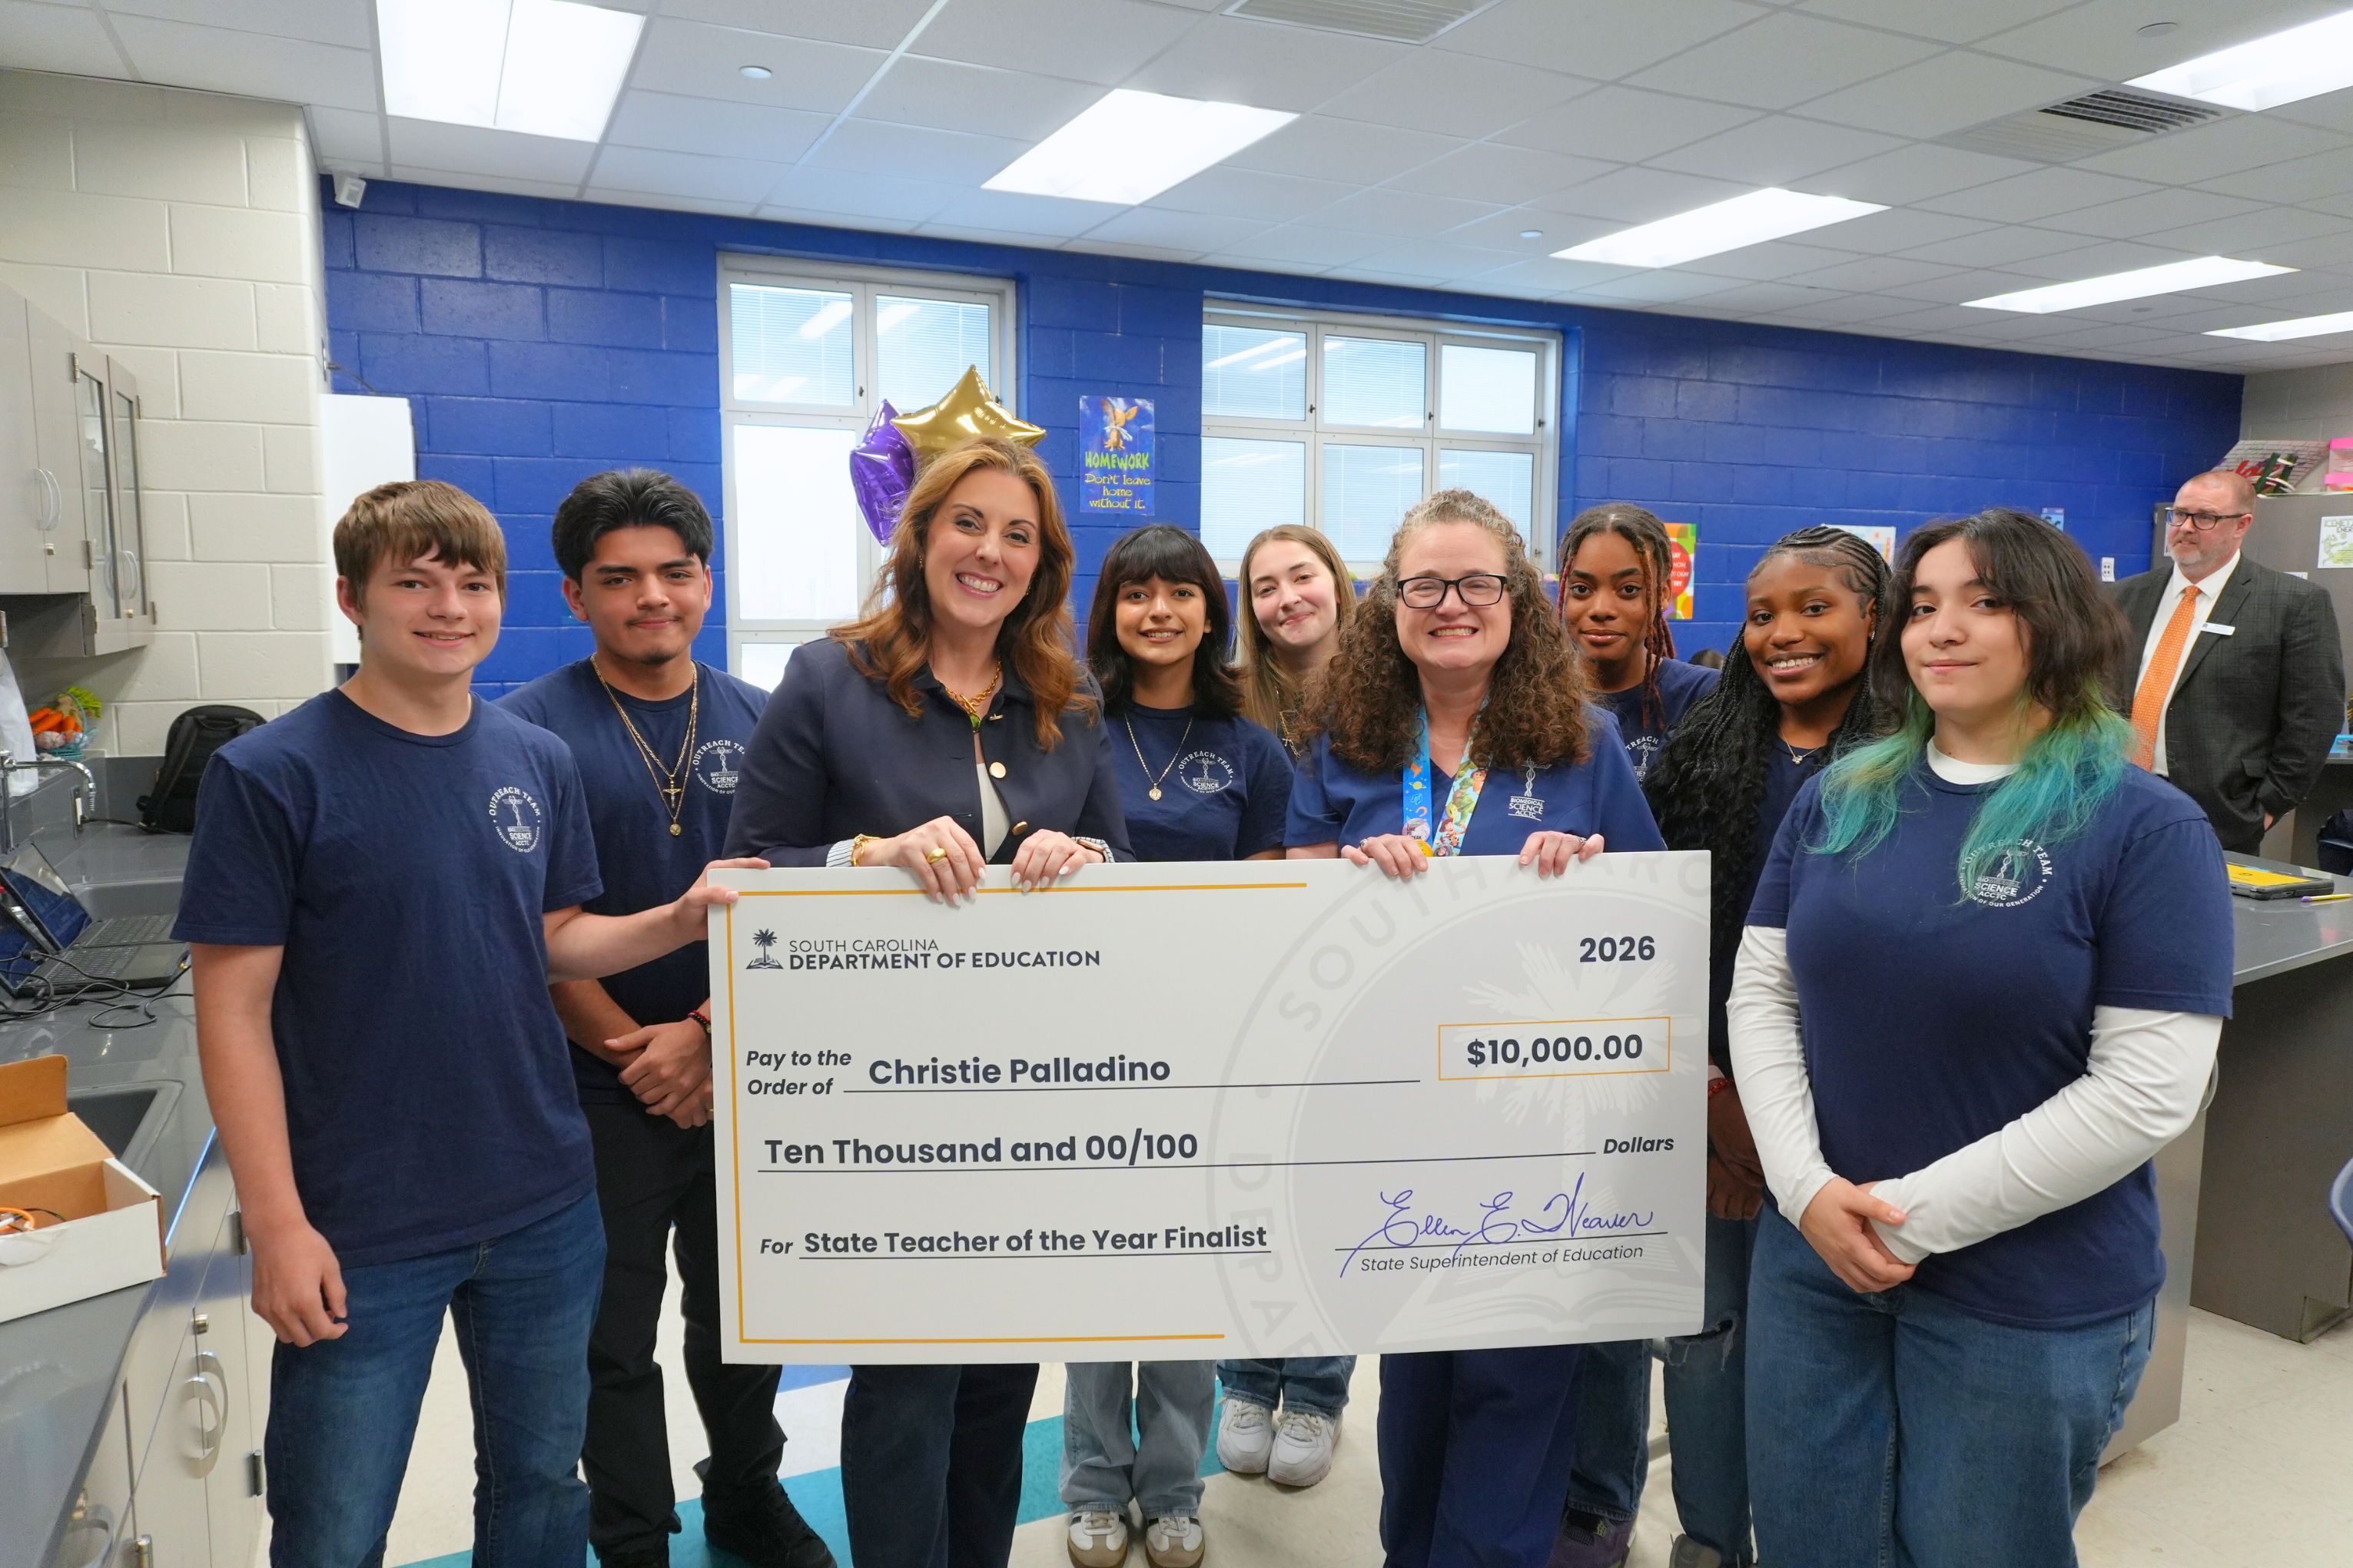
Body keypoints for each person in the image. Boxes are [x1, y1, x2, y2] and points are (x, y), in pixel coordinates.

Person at [177, 479, 757, 1568]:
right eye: (415, 582)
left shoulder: (532, 759)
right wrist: (278, 1222)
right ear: (353, 598)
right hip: (364, 1220)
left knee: (540, 1494)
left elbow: (553, 941)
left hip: (544, 1201)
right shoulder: (268, 775)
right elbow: (234, 1012)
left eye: (473, 583)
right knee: (334, 1521)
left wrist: (677, 915)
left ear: (501, 599)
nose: (449, 607)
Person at [1731, 509, 2232, 1568]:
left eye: (1984, 601)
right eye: (1920, 607)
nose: (1939, 631)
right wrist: (1806, 1192)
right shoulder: (1837, 798)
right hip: (1812, 1262)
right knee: (1810, 1541)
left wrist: (1904, 1223)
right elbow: (1762, 997)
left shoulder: (2142, 825)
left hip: (2023, 1294)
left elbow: (2146, 1090)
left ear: (2052, 623)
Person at [722, 436, 1131, 1568]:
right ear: (919, 533)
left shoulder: (1069, 693)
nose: (989, 551)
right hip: (886, 1102)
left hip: (1035, 1096)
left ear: (1042, 564)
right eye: (968, 523)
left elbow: (1132, 872)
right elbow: (745, 873)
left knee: (1000, 1380)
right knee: (906, 1383)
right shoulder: (827, 676)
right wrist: (867, 851)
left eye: (1017, 535)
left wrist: (1085, 848)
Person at [1287, 489, 1664, 1568]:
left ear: (1515, 600)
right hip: (1390, 1118)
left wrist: (1588, 885)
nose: (1449, 604)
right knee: (1414, 1376)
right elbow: (1295, 932)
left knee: (1516, 1373)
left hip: (1538, 1125)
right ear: (1388, 603)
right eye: (1423, 584)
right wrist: (1349, 884)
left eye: (1476, 583)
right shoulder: (1340, 740)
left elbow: (1647, 935)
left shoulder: (1582, 742)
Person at [500, 471, 828, 1568]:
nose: (653, 595)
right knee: (612, 1338)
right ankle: (632, 1536)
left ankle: (743, 1492)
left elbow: (798, 900)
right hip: (599, 1088)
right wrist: (637, 1053)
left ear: (706, 580)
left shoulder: (764, 719)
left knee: (746, 1312)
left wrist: (709, 1037)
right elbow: (532, 928)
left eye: (674, 572)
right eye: (620, 577)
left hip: (746, 1064)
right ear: (574, 594)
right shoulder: (523, 733)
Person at [1556, 527, 1892, 1568]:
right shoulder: (1702, 754)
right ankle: (1708, 1540)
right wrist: (1707, 1098)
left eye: (1813, 609)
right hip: (1703, 1109)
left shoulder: (1914, 765)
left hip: (1854, 1132)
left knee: (1814, 1361)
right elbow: (1658, 938)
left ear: (1873, 619)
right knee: (1702, 1345)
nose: (1782, 634)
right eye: (1760, 615)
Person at [1062, 524, 1291, 1568]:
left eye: (1180, 594)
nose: (1158, 612)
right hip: (1086, 1046)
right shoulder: (1067, 729)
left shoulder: (1251, 746)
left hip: (1211, 1052)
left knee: (1193, 1284)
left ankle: (1173, 1485)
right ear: (1108, 611)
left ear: (1211, 610)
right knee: (1102, 1278)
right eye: (1135, 594)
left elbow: (1277, 897)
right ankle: (1092, 1486)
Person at [1222, 523, 1366, 1480]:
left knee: (1338, 1183)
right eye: (1264, 586)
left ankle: (1314, 1391)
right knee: (1250, 1175)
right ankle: (1243, 1374)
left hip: (1358, 970)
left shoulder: (1393, 686)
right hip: (1247, 975)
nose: (1284, 598)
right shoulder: (1228, 700)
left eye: (1300, 576)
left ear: (1336, 582)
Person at [2109, 468, 2344, 853]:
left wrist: (2269, 805)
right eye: (2179, 514)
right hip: (2117, 797)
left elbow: (2314, 716)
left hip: (2221, 811)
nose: (2185, 527)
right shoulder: (2125, 597)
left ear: (2242, 525)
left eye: (2205, 517)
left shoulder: (2292, 603)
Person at [1558, 503, 1718, 781]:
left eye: (1629, 590)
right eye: (1581, 589)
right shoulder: (1532, 697)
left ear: (1663, 594)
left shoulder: (1704, 697)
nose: (1601, 609)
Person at [1236, 523, 1359, 755]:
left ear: (1338, 588)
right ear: (1252, 613)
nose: (1289, 599)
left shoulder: (1387, 687)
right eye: (1267, 590)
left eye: (1303, 577)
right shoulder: (1235, 708)